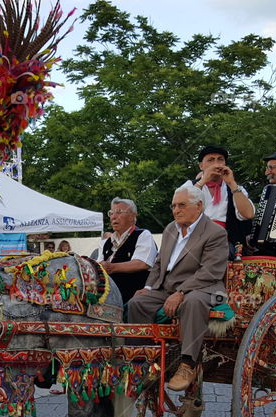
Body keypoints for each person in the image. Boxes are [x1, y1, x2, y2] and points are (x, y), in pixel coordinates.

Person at [127, 186, 228, 392]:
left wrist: (181, 292)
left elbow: (210, 272)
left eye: (182, 205)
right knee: (136, 303)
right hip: (167, 288)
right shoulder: (170, 229)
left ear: (199, 206)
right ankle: (143, 360)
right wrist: (147, 287)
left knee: (192, 302)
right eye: (173, 206)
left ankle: (187, 363)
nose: (176, 210)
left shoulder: (215, 233)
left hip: (204, 287)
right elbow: (158, 263)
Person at [182, 146, 255, 259]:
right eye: (211, 160)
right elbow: (182, 211)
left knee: (216, 251)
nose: (216, 164)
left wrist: (232, 183)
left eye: (220, 159)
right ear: (201, 166)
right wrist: (203, 181)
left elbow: (248, 214)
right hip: (193, 240)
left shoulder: (236, 188)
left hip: (225, 243)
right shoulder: (190, 186)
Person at [96, 197, 159, 304]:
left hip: (132, 295)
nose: (114, 217)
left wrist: (111, 267)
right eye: (111, 213)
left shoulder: (143, 235)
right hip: (106, 296)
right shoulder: (106, 242)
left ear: (132, 216)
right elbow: (98, 266)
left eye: (119, 212)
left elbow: (142, 263)